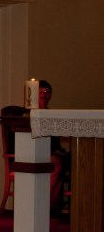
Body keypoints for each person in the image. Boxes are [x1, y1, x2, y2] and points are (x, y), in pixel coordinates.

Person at [38, 80, 70, 217]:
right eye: (40, 92)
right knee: (56, 163)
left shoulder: (52, 115)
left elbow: (56, 137)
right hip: (37, 154)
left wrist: (58, 150)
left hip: (54, 152)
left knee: (79, 160)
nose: (43, 95)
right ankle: (52, 209)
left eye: (46, 92)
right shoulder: (28, 114)